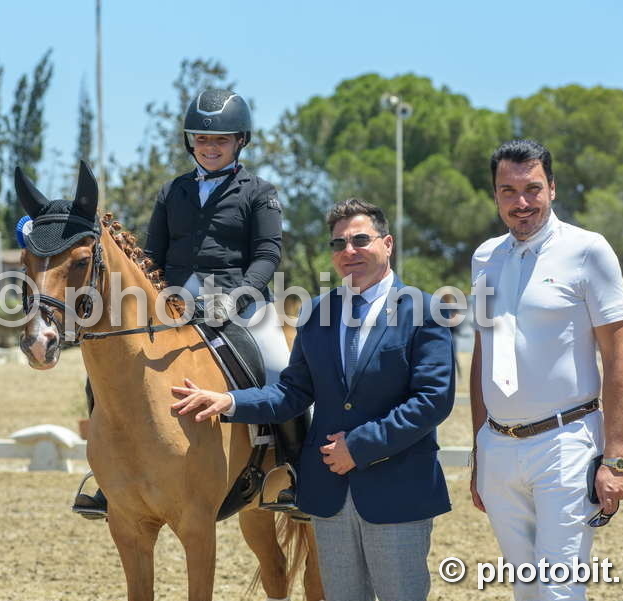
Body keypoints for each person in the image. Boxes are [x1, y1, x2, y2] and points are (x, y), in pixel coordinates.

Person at [171, 198, 455, 601]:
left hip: (398, 492)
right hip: (329, 495)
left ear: (387, 243)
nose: (349, 251)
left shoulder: (425, 310)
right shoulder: (317, 312)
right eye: (338, 244)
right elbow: (293, 392)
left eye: (360, 240)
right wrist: (229, 401)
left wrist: (358, 446)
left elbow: (432, 400)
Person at [74, 88, 295, 519]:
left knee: (280, 368)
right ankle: (107, 477)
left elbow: (267, 255)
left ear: (240, 141)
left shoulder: (259, 192)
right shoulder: (172, 191)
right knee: (103, 372)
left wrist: (238, 297)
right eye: (202, 139)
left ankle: (293, 471)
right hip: (173, 304)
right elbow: (150, 257)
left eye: (221, 140)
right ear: (190, 142)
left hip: (241, 300)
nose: (210, 147)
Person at [469, 139, 623, 601]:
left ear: (552, 188)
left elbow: (618, 358)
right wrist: (479, 449)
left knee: (559, 590)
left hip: (566, 444)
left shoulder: (589, 250)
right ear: (495, 195)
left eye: (532, 189)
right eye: (508, 191)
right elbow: (483, 355)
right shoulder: (483, 258)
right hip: (498, 448)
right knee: (525, 589)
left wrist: (615, 458)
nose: (521, 202)